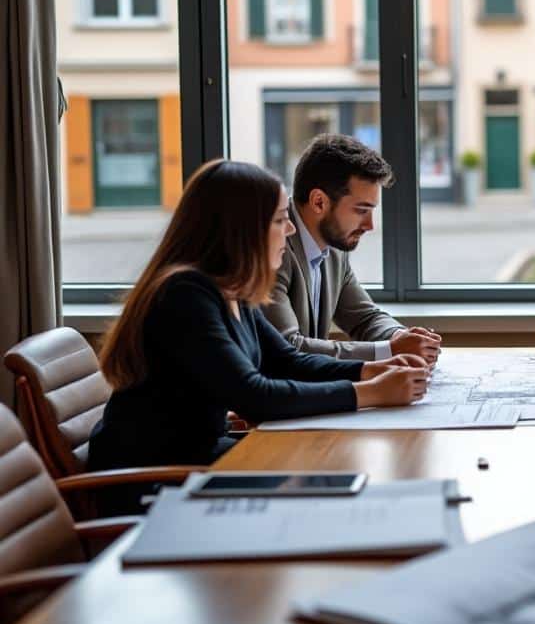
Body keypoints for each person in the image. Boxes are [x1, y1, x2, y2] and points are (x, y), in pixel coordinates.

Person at [88, 160, 431, 480]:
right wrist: (369, 393)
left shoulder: (230, 289)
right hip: (154, 478)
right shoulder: (185, 295)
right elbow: (255, 396)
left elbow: (286, 361)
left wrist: (371, 371)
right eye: (281, 219)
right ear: (243, 229)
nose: (293, 230)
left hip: (199, 459)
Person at [262, 134, 441, 364]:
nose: (370, 225)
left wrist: (402, 337)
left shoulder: (334, 246)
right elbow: (288, 347)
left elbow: (364, 318)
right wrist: (389, 350)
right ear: (319, 202)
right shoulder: (273, 248)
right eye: (361, 210)